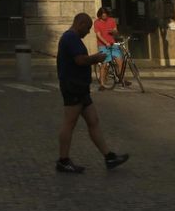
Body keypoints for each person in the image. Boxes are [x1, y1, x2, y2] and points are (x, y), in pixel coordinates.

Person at [55, 11, 129, 174]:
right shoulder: (70, 38)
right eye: (87, 28)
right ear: (80, 24)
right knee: (69, 123)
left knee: (93, 121)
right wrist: (96, 58)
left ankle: (109, 157)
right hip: (72, 86)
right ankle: (63, 160)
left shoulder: (72, 38)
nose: (88, 31)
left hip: (80, 87)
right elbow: (80, 60)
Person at [93, 6, 127, 88]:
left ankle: (121, 79)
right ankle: (102, 84)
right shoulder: (96, 22)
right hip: (103, 46)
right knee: (104, 65)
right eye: (103, 15)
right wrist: (106, 42)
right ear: (100, 15)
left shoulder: (111, 20)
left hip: (113, 44)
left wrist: (114, 32)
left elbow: (116, 32)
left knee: (120, 62)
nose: (105, 17)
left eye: (106, 15)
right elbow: (98, 35)